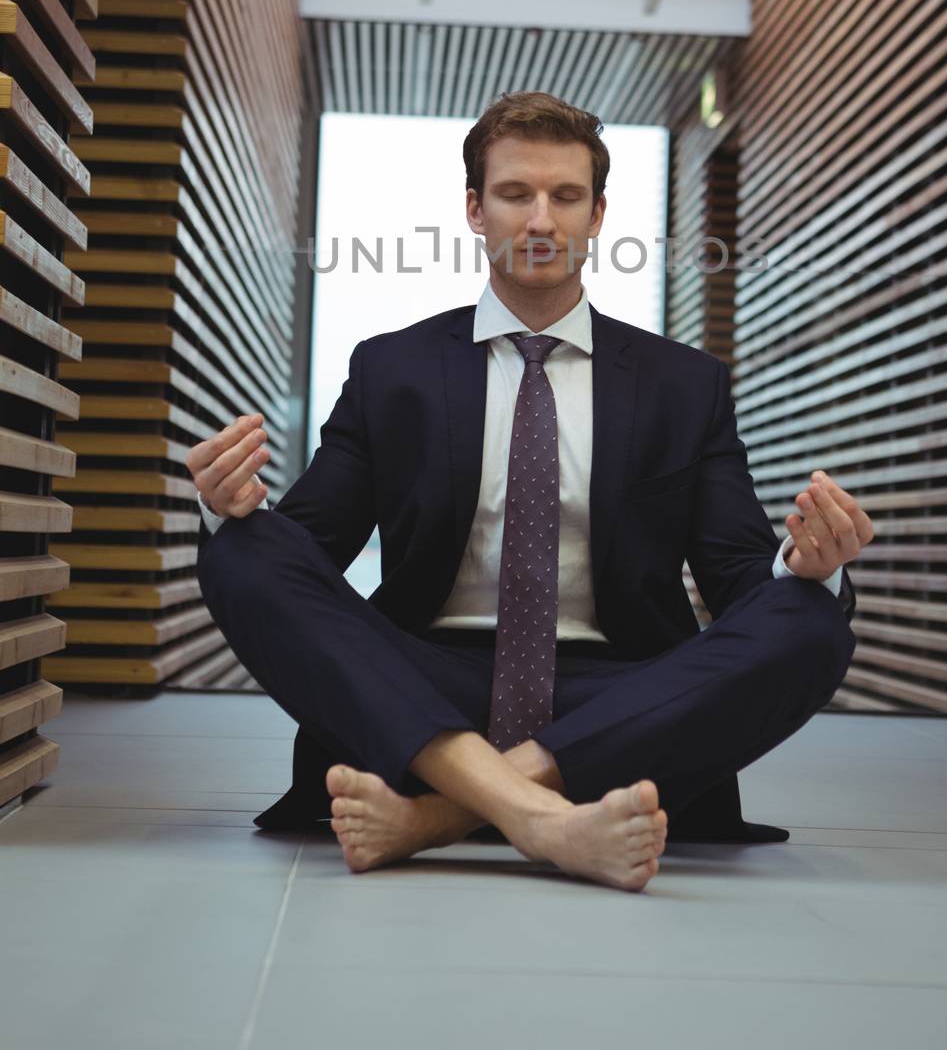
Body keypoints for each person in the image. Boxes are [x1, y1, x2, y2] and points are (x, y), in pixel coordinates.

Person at [189, 91, 871, 893]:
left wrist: (809, 565)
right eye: (515, 194)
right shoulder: (391, 371)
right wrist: (229, 507)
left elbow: (736, 577)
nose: (540, 220)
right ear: (476, 209)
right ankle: (546, 818)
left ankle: (439, 815)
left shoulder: (684, 387)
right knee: (242, 552)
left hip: (620, 695)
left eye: (565, 196)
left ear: (597, 214)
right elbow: (306, 549)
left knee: (810, 617)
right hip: (423, 684)